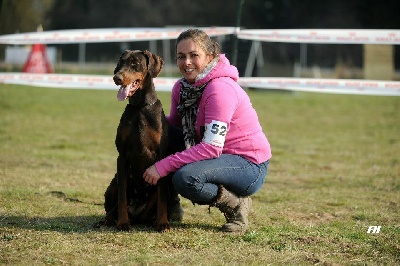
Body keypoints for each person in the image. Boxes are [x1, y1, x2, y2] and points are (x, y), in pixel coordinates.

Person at [143, 29, 272, 233]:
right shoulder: (182, 87)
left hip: (248, 164)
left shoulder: (220, 90)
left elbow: (211, 148)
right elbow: (173, 128)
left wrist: (162, 166)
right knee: (157, 139)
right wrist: (144, 127)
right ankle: (169, 204)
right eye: (181, 56)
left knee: (186, 178)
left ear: (210, 56)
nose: (186, 62)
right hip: (214, 154)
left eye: (194, 55)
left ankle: (236, 205)